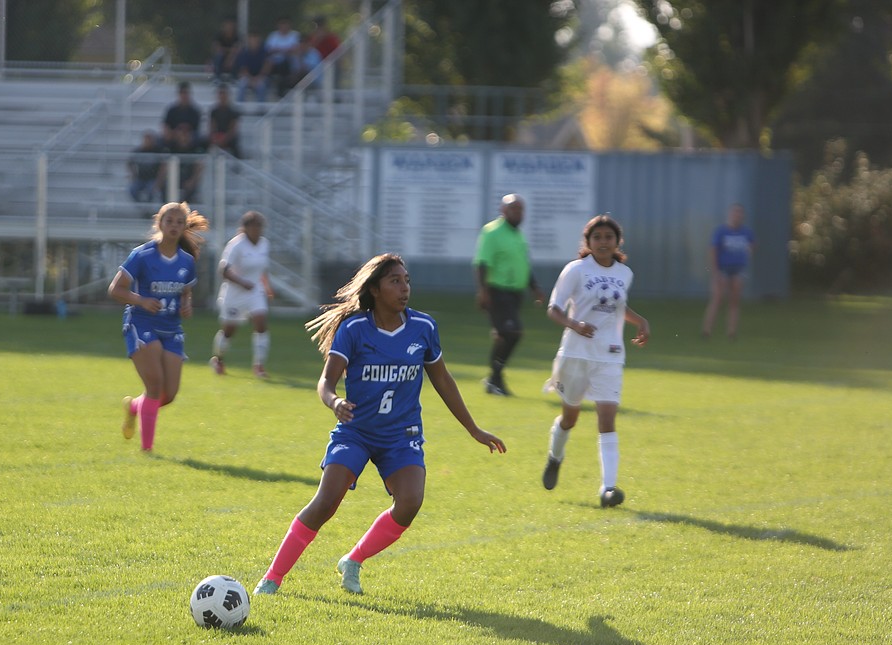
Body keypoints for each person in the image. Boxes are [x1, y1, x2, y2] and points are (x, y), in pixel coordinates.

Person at [253, 253, 506, 596]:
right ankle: (273, 577)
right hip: (356, 431)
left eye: (407, 280)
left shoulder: (423, 328)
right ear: (374, 290)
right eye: (395, 281)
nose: (404, 288)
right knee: (327, 501)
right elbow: (325, 383)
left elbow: (443, 381)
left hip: (401, 435)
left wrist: (473, 429)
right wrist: (335, 401)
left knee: (410, 502)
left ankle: (353, 560)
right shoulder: (355, 330)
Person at [540, 215, 650, 508]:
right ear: (587, 242)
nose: (603, 242)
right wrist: (574, 324)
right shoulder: (576, 270)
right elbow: (554, 309)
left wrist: (639, 321)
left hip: (610, 355)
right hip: (575, 354)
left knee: (607, 419)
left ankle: (608, 488)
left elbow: (617, 307)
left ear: (617, 242)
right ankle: (555, 457)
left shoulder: (625, 273)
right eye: (597, 237)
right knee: (570, 417)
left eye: (608, 237)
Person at [110, 202, 209, 452]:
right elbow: (116, 289)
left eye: (179, 222)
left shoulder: (186, 260)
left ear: (184, 226)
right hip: (141, 323)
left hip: (171, 327)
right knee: (155, 386)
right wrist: (141, 300)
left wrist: (187, 305)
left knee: (170, 393)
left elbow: (186, 291)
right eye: (169, 221)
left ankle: (135, 407)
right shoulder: (142, 255)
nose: (174, 226)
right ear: (159, 223)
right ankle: (147, 449)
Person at [473, 193, 545, 396]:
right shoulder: (492, 231)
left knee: (504, 335)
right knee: (513, 333)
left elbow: (523, 264)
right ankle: (495, 377)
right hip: (498, 292)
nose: (518, 213)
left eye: (521, 209)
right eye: (514, 208)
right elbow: (481, 263)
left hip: (515, 294)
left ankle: (494, 379)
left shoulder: (518, 235)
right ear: (503, 210)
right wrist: (483, 291)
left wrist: (534, 287)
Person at [211, 211, 273, 378]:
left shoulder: (264, 244)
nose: (257, 229)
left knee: (261, 323)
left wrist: (267, 286)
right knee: (229, 330)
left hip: (255, 291)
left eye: (259, 226)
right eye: (253, 226)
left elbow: (263, 268)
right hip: (234, 293)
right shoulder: (236, 245)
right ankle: (219, 359)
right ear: (245, 228)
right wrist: (241, 282)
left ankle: (259, 365)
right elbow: (223, 270)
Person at [701, 203, 754, 339]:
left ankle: (731, 332)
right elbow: (713, 251)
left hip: (738, 270)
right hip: (722, 269)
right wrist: (715, 272)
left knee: (734, 301)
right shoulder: (721, 231)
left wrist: (745, 258)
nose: (738, 215)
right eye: (735, 212)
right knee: (717, 298)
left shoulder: (746, 232)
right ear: (730, 214)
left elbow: (752, 246)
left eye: (740, 213)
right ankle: (706, 330)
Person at [156, 124, 207, 202]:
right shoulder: (171, 147)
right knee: (165, 187)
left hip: (188, 177)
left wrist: (192, 181)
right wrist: (160, 180)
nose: (184, 136)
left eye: (186, 133)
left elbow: (199, 165)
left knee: (190, 191)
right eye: (182, 133)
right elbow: (165, 165)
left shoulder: (195, 148)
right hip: (173, 177)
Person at [265, 16, 302, 97]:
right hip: (275, 63)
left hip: (290, 64)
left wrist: (279, 50)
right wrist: (286, 50)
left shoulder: (295, 35)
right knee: (269, 62)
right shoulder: (273, 36)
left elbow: (296, 50)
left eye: (286, 24)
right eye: (282, 24)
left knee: (287, 62)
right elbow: (269, 51)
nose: (284, 26)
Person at [126, 130, 163, 204]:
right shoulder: (138, 151)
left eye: (149, 139)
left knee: (151, 190)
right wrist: (133, 174)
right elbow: (129, 162)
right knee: (132, 190)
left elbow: (163, 165)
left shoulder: (158, 151)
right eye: (146, 139)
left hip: (152, 179)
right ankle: (142, 206)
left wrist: (159, 180)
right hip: (140, 178)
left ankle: (147, 206)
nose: (147, 141)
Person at [234, 32, 271, 102]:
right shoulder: (244, 53)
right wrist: (251, 79)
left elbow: (266, 67)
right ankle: (239, 110)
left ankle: (260, 110)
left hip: (261, 77)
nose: (254, 42)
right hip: (248, 77)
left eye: (256, 40)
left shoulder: (264, 52)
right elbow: (243, 69)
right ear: (249, 41)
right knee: (242, 84)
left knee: (261, 86)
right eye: (252, 40)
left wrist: (258, 78)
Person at [207, 83, 241, 157]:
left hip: (228, 137)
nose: (222, 96)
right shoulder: (214, 111)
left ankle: (237, 166)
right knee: (204, 142)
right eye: (220, 94)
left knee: (235, 142)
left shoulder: (233, 111)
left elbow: (233, 130)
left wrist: (224, 138)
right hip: (217, 136)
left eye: (224, 93)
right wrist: (215, 138)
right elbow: (212, 127)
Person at [208, 17, 241, 82]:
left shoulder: (236, 36)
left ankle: (234, 77)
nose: (229, 27)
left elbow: (237, 49)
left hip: (231, 60)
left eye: (231, 25)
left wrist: (229, 58)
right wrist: (230, 50)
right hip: (221, 59)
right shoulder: (218, 35)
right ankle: (217, 77)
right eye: (227, 25)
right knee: (219, 55)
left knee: (237, 57)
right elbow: (217, 48)